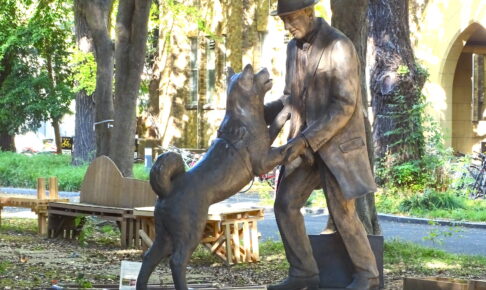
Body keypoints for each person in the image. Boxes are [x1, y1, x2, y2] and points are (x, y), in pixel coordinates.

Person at [265, 0, 380, 289]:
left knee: (343, 212)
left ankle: (367, 273)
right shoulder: (292, 49)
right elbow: (290, 98)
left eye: (291, 19)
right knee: (285, 204)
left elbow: (344, 104)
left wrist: (307, 139)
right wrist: (257, 113)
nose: (287, 26)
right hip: (305, 147)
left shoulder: (339, 46)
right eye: (283, 21)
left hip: (336, 147)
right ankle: (303, 272)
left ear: (308, 12)